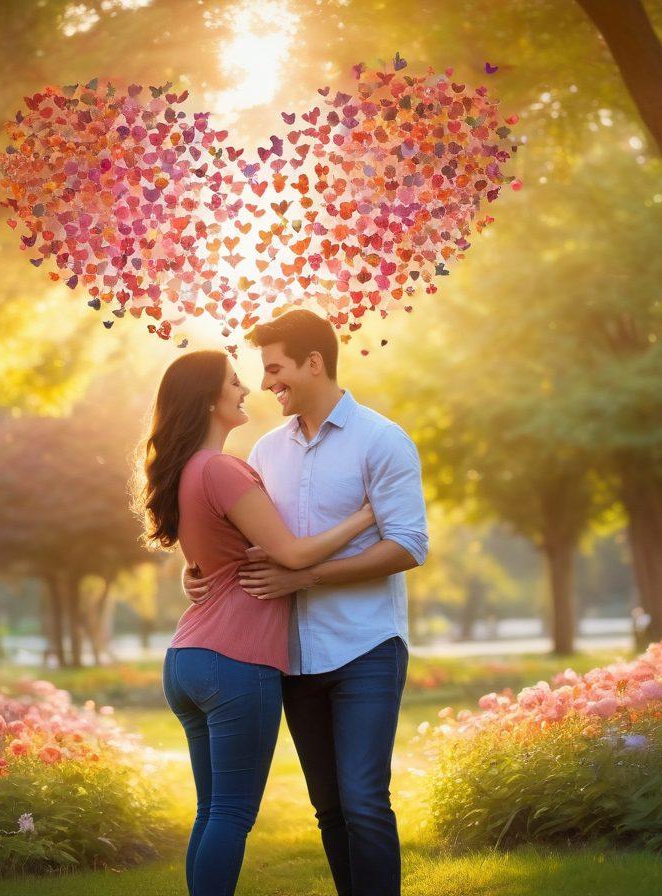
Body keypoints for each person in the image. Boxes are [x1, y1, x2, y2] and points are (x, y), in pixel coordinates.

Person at [186, 309, 429, 896]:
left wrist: (310, 578)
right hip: (290, 657)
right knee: (329, 808)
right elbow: (242, 537)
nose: (267, 384)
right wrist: (197, 576)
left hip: (367, 646)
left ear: (314, 362)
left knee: (365, 801)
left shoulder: (382, 440)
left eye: (276, 369)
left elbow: (408, 545)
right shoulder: (266, 451)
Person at [137, 349, 379, 896]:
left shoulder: (185, 471)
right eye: (233, 381)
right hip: (236, 662)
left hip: (188, 659)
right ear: (208, 400)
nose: (245, 388)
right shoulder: (221, 469)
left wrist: (189, 577)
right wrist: (365, 517)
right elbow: (292, 555)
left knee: (211, 810)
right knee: (231, 813)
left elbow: (205, 560)